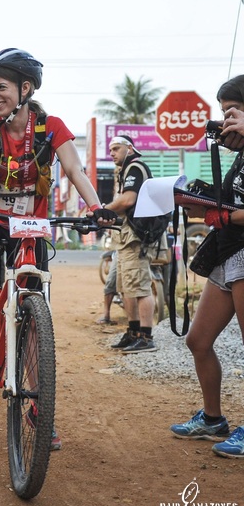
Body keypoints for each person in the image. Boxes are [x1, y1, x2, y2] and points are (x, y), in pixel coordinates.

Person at [0, 48, 117, 450]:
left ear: (25, 89)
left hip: (30, 224)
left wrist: (96, 207)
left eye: (1, 87)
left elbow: (74, 169)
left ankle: (39, 406)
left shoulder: (51, 127)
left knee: (35, 311)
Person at [169, 74, 244, 459]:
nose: (224, 121)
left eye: (231, 111)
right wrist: (199, 202)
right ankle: (212, 419)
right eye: (222, 112)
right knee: (198, 340)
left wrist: (224, 216)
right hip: (227, 252)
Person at [102, 135, 157, 353]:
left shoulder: (135, 167)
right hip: (125, 237)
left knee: (140, 287)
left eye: (116, 148)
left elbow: (128, 200)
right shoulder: (125, 171)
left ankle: (146, 336)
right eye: (110, 150)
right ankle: (133, 332)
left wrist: (103, 209)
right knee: (126, 287)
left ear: (130, 148)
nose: (112, 153)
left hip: (136, 237)